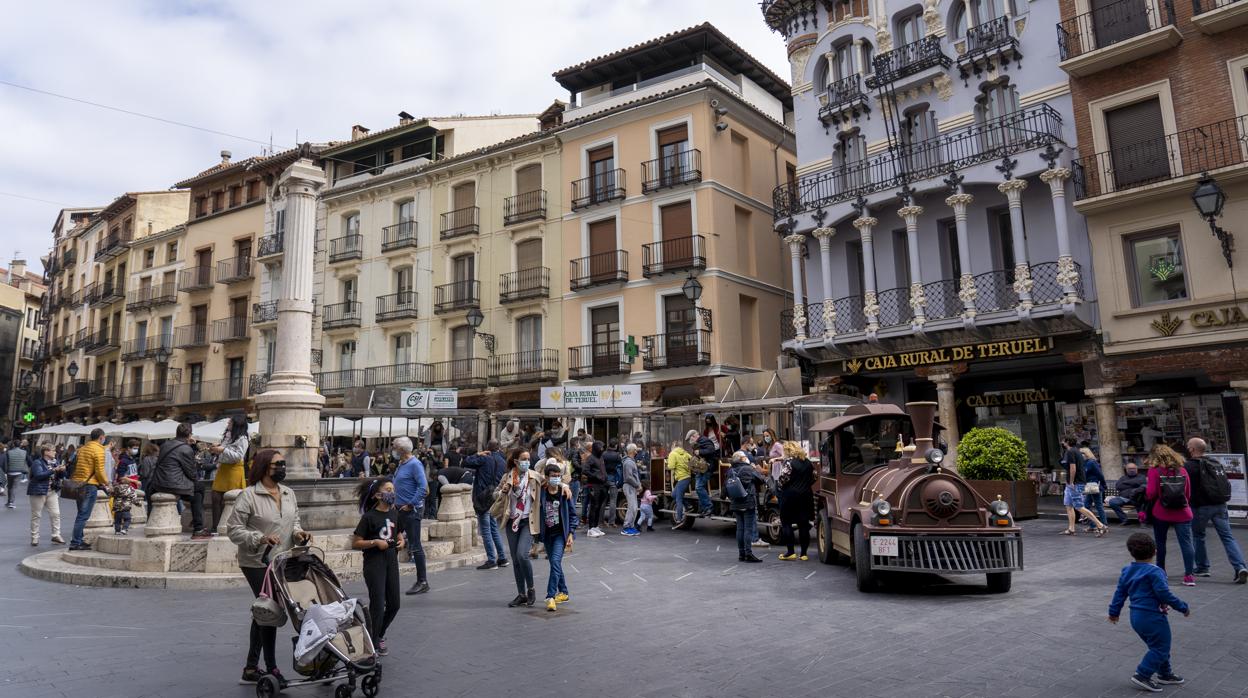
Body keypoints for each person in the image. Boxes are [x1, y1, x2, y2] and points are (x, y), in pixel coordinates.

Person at [226, 449, 309, 686]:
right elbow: (233, 529)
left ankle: (251, 667)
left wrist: (299, 534)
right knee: (270, 611)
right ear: (264, 467)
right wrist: (260, 538)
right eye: (277, 464)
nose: (282, 467)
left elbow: (294, 522)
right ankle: (272, 668)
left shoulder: (288, 492)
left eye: (283, 464)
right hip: (256, 561)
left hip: (284, 559)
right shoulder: (249, 496)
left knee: (264, 612)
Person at [1107, 533, 1190, 693]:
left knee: (1158, 646)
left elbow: (1120, 593)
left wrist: (1114, 612)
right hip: (1152, 617)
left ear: (1131, 552)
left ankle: (1165, 674)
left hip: (1136, 617)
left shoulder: (1127, 570)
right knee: (1161, 647)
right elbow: (1164, 594)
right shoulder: (1155, 572)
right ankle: (1143, 674)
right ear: (1155, 552)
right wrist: (1182, 607)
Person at [352, 477, 405, 656]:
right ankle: (372, 642)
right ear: (377, 495)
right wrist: (375, 542)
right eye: (388, 490)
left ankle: (379, 634)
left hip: (391, 561)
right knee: (377, 603)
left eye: (393, 490)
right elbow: (356, 542)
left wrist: (401, 541)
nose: (392, 493)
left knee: (394, 604)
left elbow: (398, 532)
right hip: (374, 563)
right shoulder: (369, 517)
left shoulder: (394, 512)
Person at [1183, 438, 1247, 584]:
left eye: (1188, 446)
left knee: (1198, 536)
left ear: (1192, 449)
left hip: (1200, 507)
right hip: (1220, 505)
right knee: (1227, 537)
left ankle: (1202, 567)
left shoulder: (1189, 466)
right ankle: (1240, 566)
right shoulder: (1215, 463)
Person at [1143, 444, 1196, 586]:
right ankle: (1189, 575)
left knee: (1160, 542)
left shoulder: (1154, 471)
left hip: (1161, 511)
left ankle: (1161, 571)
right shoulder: (1183, 470)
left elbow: (1151, 493)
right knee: (1186, 543)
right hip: (1183, 512)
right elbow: (1188, 493)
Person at [148, 423, 210, 539]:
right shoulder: (186, 449)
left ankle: (196, 521)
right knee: (199, 489)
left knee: (195, 490)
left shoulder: (166, 444)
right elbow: (191, 473)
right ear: (189, 435)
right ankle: (198, 528)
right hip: (173, 484)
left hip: (158, 483)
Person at [499, 449, 540, 607]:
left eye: (528, 459)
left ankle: (531, 589)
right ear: (516, 461)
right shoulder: (507, 477)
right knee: (516, 560)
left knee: (522, 555)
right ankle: (521, 594)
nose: (527, 462)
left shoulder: (534, 476)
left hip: (527, 521)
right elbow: (497, 496)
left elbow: (551, 481)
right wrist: (501, 493)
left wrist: (564, 486)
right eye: (524, 459)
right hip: (512, 521)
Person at [391, 437, 429, 596]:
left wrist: (411, 504)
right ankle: (390, 577)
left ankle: (422, 581)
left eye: (394, 447)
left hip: (411, 510)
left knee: (415, 545)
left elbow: (423, 487)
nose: (392, 449)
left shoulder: (415, 464)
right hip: (399, 509)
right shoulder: (402, 464)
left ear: (401, 450)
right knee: (394, 540)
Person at [535, 460, 574, 612]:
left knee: (556, 561)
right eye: (553, 476)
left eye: (558, 476)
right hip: (547, 535)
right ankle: (563, 592)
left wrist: (571, 533)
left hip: (560, 535)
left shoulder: (564, 493)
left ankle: (550, 595)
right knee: (554, 564)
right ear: (547, 477)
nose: (556, 478)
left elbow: (572, 515)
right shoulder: (541, 493)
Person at [466, 441, 508, 571]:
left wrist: (478, 454)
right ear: (499, 448)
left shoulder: (484, 458)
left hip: (483, 497)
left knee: (485, 529)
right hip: (495, 497)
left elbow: (466, 461)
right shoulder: (503, 461)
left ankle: (491, 560)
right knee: (494, 528)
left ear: (487, 448)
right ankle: (502, 558)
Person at [69, 428, 110, 551]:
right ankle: (75, 542)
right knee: (83, 515)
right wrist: (107, 483)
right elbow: (99, 470)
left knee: (80, 513)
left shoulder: (82, 449)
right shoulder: (99, 450)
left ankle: (79, 540)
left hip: (78, 484)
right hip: (89, 485)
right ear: (101, 437)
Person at [210, 414, 250, 532]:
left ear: (236, 424)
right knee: (215, 497)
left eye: (230, 422)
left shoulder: (243, 439)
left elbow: (238, 456)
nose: (228, 424)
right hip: (223, 469)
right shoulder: (228, 436)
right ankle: (215, 526)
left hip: (234, 470)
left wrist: (223, 450)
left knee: (231, 498)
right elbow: (224, 451)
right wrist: (216, 449)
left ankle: (229, 526)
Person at [1059, 437, 1107, 536]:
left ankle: (1101, 525)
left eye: (1063, 441)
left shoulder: (1071, 451)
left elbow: (1073, 468)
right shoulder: (1076, 451)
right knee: (1068, 505)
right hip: (1072, 483)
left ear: (1067, 442)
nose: (1062, 443)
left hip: (1075, 483)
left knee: (1079, 506)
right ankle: (1071, 529)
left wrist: (1071, 482)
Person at [777, 441, 815, 561]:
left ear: (788, 451)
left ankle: (790, 552)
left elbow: (783, 479)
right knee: (803, 524)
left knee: (786, 522)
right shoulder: (808, 462)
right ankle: (804, 554)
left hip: (790, 496)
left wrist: (779, 486)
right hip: (806, 495)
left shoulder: (789, 462)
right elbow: (814, 477)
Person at [728, 451, 767, 563]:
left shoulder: (730, 470)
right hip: (748, 501)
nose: (747, 458)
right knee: (748, 529)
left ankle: (741, 554)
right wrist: (754, 468)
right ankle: (748, 554)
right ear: (741, 459)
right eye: (745, 457)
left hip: (735, 502)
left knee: (740, 528)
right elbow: (760, 479)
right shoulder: (748, 469)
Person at [28, 443, 65, 546]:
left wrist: (62, 470)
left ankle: (56, 535)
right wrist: (53, 470)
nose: (55, 452)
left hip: (52, 492)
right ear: (46, 452)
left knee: (56, 514)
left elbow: (60, 476)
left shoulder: (55, 462)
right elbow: (39, 475)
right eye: (53, 450)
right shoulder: (37, 463)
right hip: (38, 492)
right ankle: (34, 537)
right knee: (36, 515)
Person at [1107, 461, 1147, 525]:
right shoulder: (1123, 477)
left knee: (1142, 503)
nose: (1132, 470)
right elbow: (1118, 486)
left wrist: (1126, 483)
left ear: (1137, 469)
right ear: (1126, 470)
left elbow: (1141, 482)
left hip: (1136, 498)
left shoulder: (1141, 476)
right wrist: (1134, 484)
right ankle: (1124, 519)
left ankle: (1142, 521)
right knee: (1112, 502)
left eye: (1133, 468)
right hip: (1124, 498)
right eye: (1130, 469)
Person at [693, 422, 720, 517]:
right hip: (701, 468)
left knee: (699, 487)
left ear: (694, 436)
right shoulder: (699, 442)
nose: (690, 441)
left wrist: (699, 451)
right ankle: (703, 509)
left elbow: (711, 450)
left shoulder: (705, 440)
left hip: (707, 468)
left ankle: (708, 507)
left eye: (690, 439)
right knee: (699, 488)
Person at [666, 438, 693, 527]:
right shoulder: (684, 452)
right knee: (674, 495)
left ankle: (679, 519)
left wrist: (667, 461)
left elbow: (670, 466)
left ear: (673, 446)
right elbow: (691, 460)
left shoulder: (672, 454)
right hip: (687, 477)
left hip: (682, 478)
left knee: (678, 498)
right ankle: (688, 506)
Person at [583, 441, 608, 538]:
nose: (602, 449)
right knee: (594, 506)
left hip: (602, 485)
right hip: (593, 485)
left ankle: (595, 526)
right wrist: (596, 476)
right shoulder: (590, 458)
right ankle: (590, 529)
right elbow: (585, 470)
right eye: (600, 448)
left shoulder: (600, 457)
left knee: (599, 506)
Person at [1080, 447, 1107, 533]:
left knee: (1098, 506)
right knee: (1086, 505)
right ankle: (1094, 525)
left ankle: (1103, 525)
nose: (1080, 455)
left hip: (1095, 486)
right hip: (1089, 487)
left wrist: (1103, 484)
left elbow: (1100, 474)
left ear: (1087, 454)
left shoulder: (1092, 462)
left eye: (1082, 453)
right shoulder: (1084, 463)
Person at [620, 443, 641, 536]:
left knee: (634, 508)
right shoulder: (628, 462)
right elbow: (629, 477)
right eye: (636, 449)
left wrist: (637, 485)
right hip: (629, 486)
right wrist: (637, 485)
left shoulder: (630, 461)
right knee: (632, 507)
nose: (637, 451)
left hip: (631, 486)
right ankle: (626, 527)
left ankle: (630, 526)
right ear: (632, 451)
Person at [6, 438, 29, 508]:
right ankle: (11, 502)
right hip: (19, 472)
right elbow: (29, 461)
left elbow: (6, 462)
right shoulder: (24, 452)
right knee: (14, 488)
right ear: (20, 445)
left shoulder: (9, 452)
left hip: (10, 471)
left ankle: (8, 501)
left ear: (13, 444)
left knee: (9, 487)